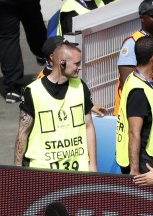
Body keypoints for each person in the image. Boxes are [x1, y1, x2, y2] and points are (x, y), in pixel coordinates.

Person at [15, 42, 98, 172]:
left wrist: (93, 165)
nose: (80, 67)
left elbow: (89, 127)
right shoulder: (33, 91)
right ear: (62, 63)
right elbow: (23, 133)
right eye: (77, 63)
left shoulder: (81, 87)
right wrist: (17, 168)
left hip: (78, 170)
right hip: (42, 170)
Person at [116, 36, 153, 176]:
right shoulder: (138, 91)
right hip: (145, 165)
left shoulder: (142, 80)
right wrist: (134, 170)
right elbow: (134, 133)